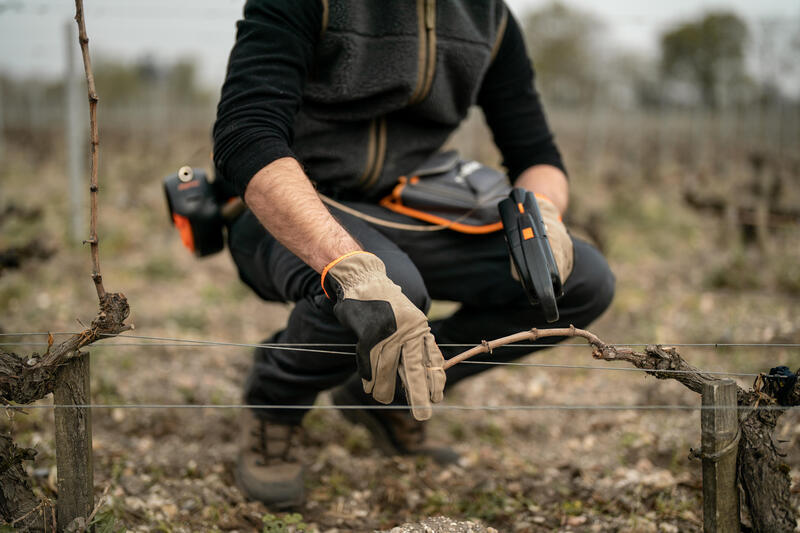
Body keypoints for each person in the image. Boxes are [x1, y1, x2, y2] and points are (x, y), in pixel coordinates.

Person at [213, 0, 615, 508]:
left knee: (584, 279)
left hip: (412, 205)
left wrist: (546, 216)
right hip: (290, 205)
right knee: (385, 289)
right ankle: (274, 405)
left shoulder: (487, 17)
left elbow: (536, 154)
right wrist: (351, 268)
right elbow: (245, 138)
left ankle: (388, 393)